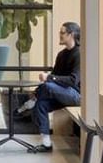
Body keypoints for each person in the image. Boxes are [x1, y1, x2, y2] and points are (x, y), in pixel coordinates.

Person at [17, 21, 81, 150]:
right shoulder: (61, 55)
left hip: (76, 95)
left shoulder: (79, 54)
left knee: (47, 86)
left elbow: (73, 80)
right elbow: (54, 78)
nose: (60, 35)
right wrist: (48, 79)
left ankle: (28, 104)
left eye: (62, 33)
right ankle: (46, 144)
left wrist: (49, 77)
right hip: (61, 93)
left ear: (71, 34)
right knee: (41, 105)